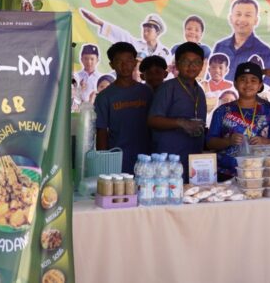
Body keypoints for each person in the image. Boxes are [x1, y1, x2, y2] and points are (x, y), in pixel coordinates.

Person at [207, 62, 270, 179]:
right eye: (243, 79)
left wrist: (264, 142)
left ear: (260, 85)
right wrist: (228, 141)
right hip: (226, 174)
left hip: (259, 174)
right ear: (235, 84)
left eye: (253, 80)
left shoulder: (269, 113)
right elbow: (210, 142)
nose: (248, 84)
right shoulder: (222, 111)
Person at [148, 42, 208, 181]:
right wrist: (181, 123)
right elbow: (152, 120)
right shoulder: (168, 88)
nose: (191, 66)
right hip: (169, 161)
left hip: (193, 161)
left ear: (202, 65)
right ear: (177, 64)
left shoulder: (199, 91)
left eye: (196, 62)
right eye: (186, 61)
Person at [95, 42, 154, 174]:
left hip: (146, 159)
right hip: (118, 161)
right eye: (119, 61)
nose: (124, 65)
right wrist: (103, 163)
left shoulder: (147, 92)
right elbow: (101, 132)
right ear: (111, 65)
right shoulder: (104, 97)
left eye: (128, 60)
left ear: (134, 63)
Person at [213, 0, 270, 73]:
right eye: (238, 14)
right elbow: (210, 79)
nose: (242, 19)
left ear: (256, 21)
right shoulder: (220, 46)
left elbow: (268, 84)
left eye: (248, 15)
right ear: (230, 18)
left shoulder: (266, 53)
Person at [81, 10, 170, 60]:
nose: (145, 33)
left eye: (149, 30)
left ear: (157, 32)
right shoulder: (137, 45)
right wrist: (100, 23)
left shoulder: (164, 53)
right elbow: (121, 34)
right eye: (144, 30)